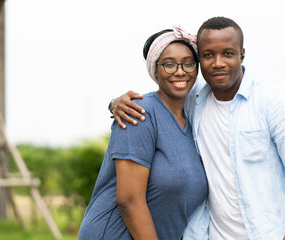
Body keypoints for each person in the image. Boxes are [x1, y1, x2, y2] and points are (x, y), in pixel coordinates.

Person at [111, 17, 285, 240]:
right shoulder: (193, 101)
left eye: (228, 53)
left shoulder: (274, 104)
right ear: (199, 59)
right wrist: (115, 103)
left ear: (242, 54)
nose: (218, 63)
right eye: (208, 55)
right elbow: (164, 91)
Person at [78, 26, 208, 240]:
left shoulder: (194, 117)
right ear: (155, 70)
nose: (180, 71)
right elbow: (129, 200)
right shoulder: (139, 113)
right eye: (169, 64)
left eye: (188, 63)